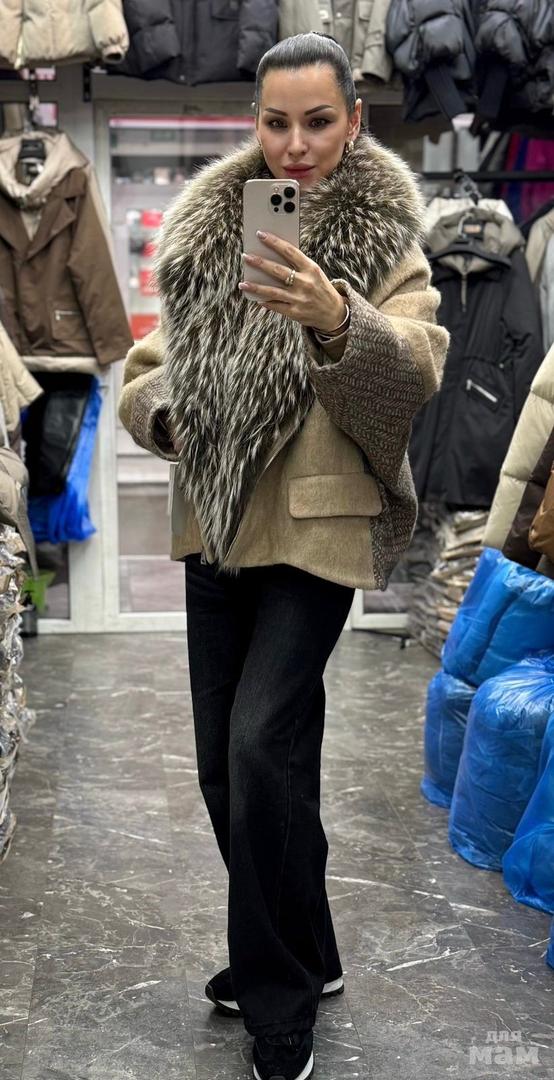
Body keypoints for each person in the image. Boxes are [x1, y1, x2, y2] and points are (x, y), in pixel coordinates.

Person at [118, 32, 449, 1080]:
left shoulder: (385, 237)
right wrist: (167, 412)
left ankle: (278, 998)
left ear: (352, 121)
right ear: (252, 122)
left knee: (262, 745)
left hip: (315, 529)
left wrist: (336, 321)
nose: (295, 145)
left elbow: (416, 374)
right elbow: (146, 365)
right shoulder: (211, 226)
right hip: (218, 527)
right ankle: (310, 946)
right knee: (229, 768)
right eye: (275, 122)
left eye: (317, 122)